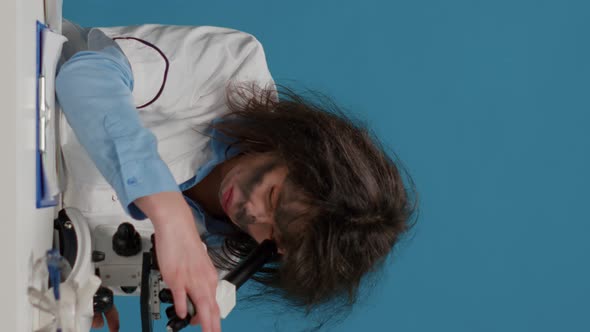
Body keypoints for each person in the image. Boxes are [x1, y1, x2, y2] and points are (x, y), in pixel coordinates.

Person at [56, 20, 416, 332]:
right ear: (293, 146)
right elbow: (85, 78)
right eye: (273, 195)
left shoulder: (216, 262)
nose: (252, 213)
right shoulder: (233, 68)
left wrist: (84, 277)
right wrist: (170, 213)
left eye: (272, 234)